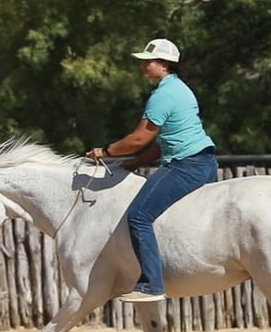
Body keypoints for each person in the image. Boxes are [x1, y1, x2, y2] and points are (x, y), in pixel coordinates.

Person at [87, 38, 218, 302]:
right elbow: (161, 144)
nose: (144, 66)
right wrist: (134, 163)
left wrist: (106, 152)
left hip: (186, 166)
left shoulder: (163, 95)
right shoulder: (180, 89)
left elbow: (138, 139)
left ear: (164, 64)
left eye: (149, 61)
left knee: (138, 216)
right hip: (205, 163)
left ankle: (151, 284)